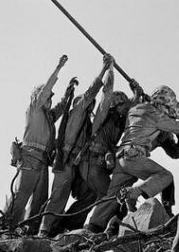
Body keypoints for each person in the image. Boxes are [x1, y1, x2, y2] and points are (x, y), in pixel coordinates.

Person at [85, 84, 179, 233]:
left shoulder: (135, 109)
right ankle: (134, 193)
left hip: (121, 159)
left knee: (112, 196)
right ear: (163, 105)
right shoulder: (155, 114)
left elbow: (175, 153)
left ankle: (93, 226)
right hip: (134, 156)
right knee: (165, 176)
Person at [38, 54, 114, 237]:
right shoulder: (77, 112)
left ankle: (69, 224)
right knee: (58, 197)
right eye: (86, 102)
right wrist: (105, 69)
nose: (89, 104)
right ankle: (44, 229)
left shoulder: (86, 121)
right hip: (66, 161)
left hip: (77, 164)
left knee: (92, 192)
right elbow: (90, 93)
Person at [57, 67, 136, 232]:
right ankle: (107, 226)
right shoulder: (103, 117)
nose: (126, 108)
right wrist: (110, 70)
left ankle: (67, 225)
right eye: (123, 105)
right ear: (116, 106)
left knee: (92, 197)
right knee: (115, 194)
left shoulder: (119, 122)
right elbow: (107, 93)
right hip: (91, 163)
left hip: (97, 166)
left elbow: (130, 109)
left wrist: (137, 93)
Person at [4, 55, 72, 231]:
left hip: (42, 159)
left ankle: (28, 229)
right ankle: (6, 226)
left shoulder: (48, 116)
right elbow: (44, 92)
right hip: (30, 156)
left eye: (51, 98)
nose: (49, 99)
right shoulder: (34, 108)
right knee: (22, 195)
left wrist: (68, 93)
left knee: (40, 199)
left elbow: (61, 108)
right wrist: (58, 69)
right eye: (47, 97)